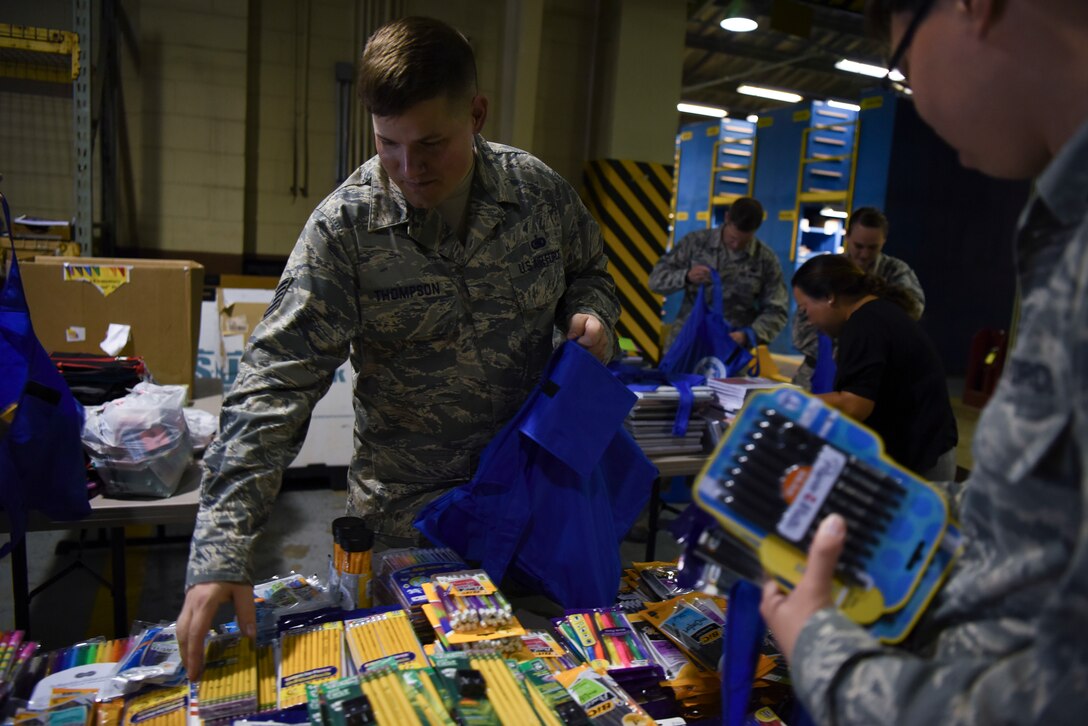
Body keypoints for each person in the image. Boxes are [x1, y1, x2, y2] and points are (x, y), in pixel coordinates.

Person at [176, 16, 620, 678]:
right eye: (389, 144)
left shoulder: (538, 195)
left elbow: (590, 273)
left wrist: (593, 314)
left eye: (432, 143)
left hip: (535, 506)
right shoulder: (346, 230)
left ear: (476, 113)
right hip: (415, 527)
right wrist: (221, 548)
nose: (410, 169)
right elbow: (274, 384)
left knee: (560, 689)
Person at [761, 0, 1088, 723]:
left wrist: (823, 652)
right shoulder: (1065, 231)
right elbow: (1036, 527)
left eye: (903, 66)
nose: (917, 100)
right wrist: (879, 513)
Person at [792, 254, 957, 480]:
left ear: (830, 297)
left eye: (805, 308)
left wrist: (790, 402)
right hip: (927, 452)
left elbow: (854, 405)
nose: (808, 320)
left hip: (923, 466)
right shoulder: (877, 313)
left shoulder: (864, 324)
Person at [791, 207, 925, 390]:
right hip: (818, 371)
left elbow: (911, 312)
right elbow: (801, 334)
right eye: (858, 246)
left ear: (883, 241)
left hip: (871, 377)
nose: (864, 255)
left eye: (873, 248)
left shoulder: (895, 272)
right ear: (847, 237)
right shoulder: (827, 272)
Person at [648, 196, 788, 353]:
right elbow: (655, 281)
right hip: (687, 344)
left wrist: (749, 335)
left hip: (730, 350)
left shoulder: (765, 259)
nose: (736, 246)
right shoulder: (696, 243)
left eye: (743, 242)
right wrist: (686, 276)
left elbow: (777, 310)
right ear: (727, 218)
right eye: (732, 238)